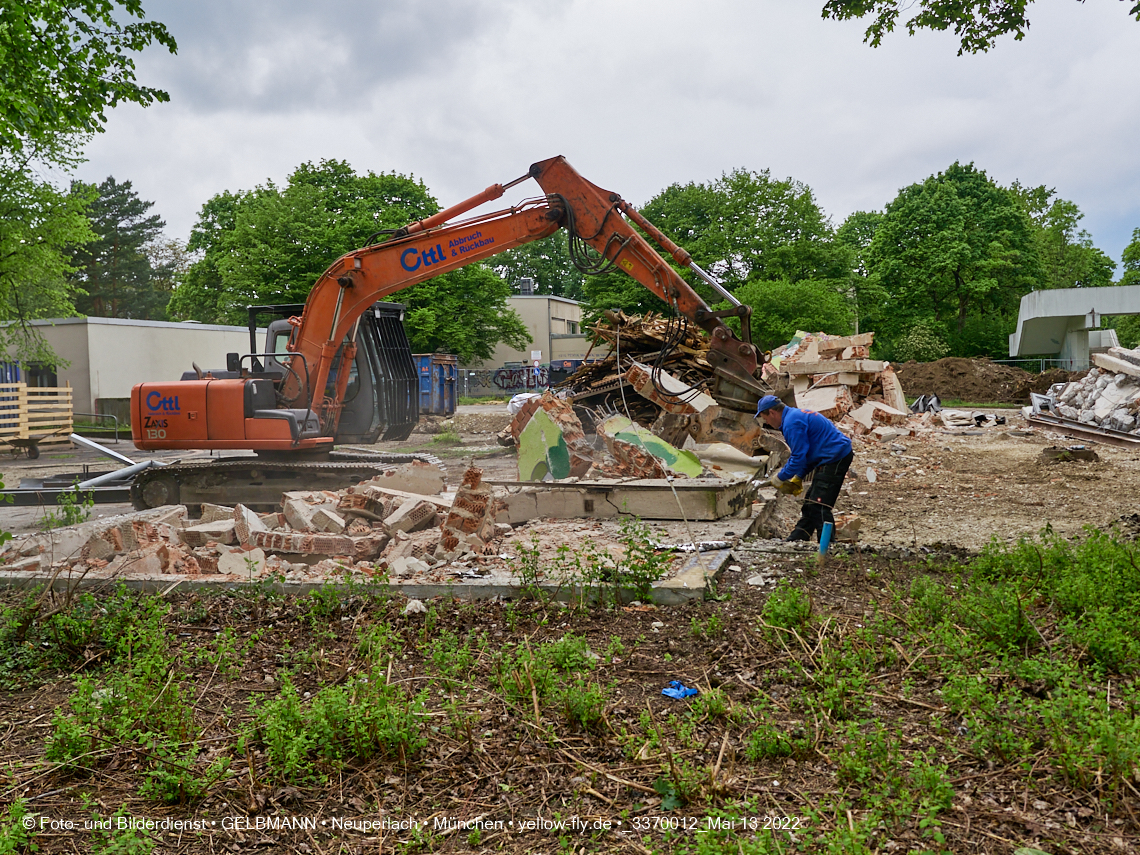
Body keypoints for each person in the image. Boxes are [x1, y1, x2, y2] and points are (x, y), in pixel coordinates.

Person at [755, 395, 854, 543]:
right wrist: (799, 476)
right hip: (830, 456)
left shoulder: (791, 423)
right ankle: (796, 539)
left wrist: (780, 477)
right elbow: (808, 454)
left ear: (772, 413)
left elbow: (798, 457)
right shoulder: (794, 416)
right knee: (810, 504)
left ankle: (827, 548)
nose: (767, 423)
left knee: (819, 505)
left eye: (765, 419)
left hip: (835, 457)